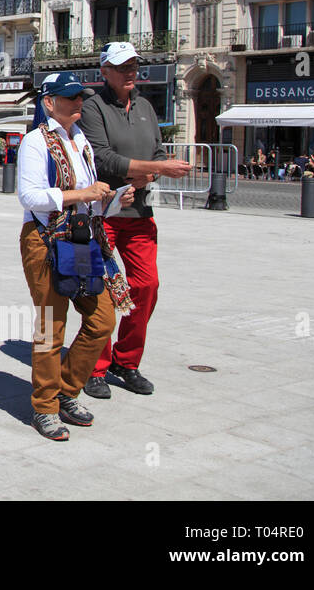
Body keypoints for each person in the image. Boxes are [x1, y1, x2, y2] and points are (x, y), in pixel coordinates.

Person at [18, 71, 133, 441]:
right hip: (45, 238)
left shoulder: (80, 140)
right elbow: (30, 197)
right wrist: (83, 195)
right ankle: (45, 406)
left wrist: (111, 200)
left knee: (102, 319)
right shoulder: (35, 142)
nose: (78, 102)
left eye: (80, 96)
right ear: (49, 102)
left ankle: (67, 389)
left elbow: (90, 200)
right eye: (70, 97)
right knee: (51, 325)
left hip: (83, 238)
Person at [80, 42, 192, 400]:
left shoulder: (145, 106)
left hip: (139, 212)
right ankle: (95, 365)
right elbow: (103, 158)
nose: (130, 72)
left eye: (133, 65)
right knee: (102, 289)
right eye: (121, 66)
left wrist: (153, 174)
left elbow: (157, 153)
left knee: (146, 285)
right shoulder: (92, 107)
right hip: (105, 213)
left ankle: (126, 362)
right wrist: (158, 168)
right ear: (105, 72)